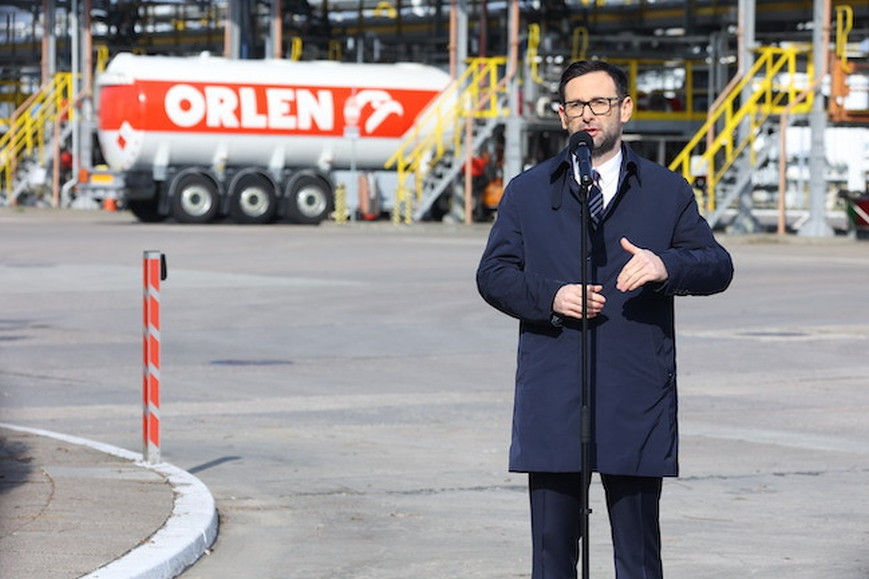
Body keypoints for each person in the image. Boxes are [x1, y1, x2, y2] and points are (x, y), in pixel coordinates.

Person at [475, 59, 734, 579]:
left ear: (624, 109)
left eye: (600, 102)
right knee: (551, 558)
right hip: (555, 394)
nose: (588, 114)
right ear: (561, 115)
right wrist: (552, 296)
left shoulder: (666, 190)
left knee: (639, 559)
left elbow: (717, 265)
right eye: (576, 105)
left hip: (635, 394)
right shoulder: (528, 191)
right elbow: (494, 274)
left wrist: (666, 265)